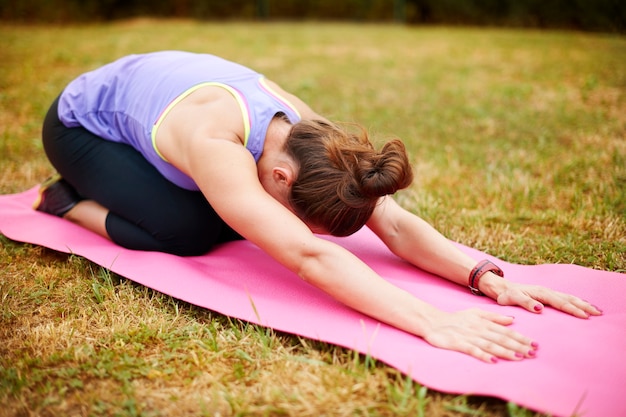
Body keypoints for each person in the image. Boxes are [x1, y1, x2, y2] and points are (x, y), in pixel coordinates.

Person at [34, 51, 601, 363]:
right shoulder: (217, 143)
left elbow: (394, 222)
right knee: (190, 228)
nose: (311, 230)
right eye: (306, 216)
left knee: (233, 217)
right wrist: (434, 323)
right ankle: (65, 201)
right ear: (280, 178)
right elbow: (306, 256)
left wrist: (484, 277)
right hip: (80, 126)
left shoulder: (312, 139)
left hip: (152, 98)